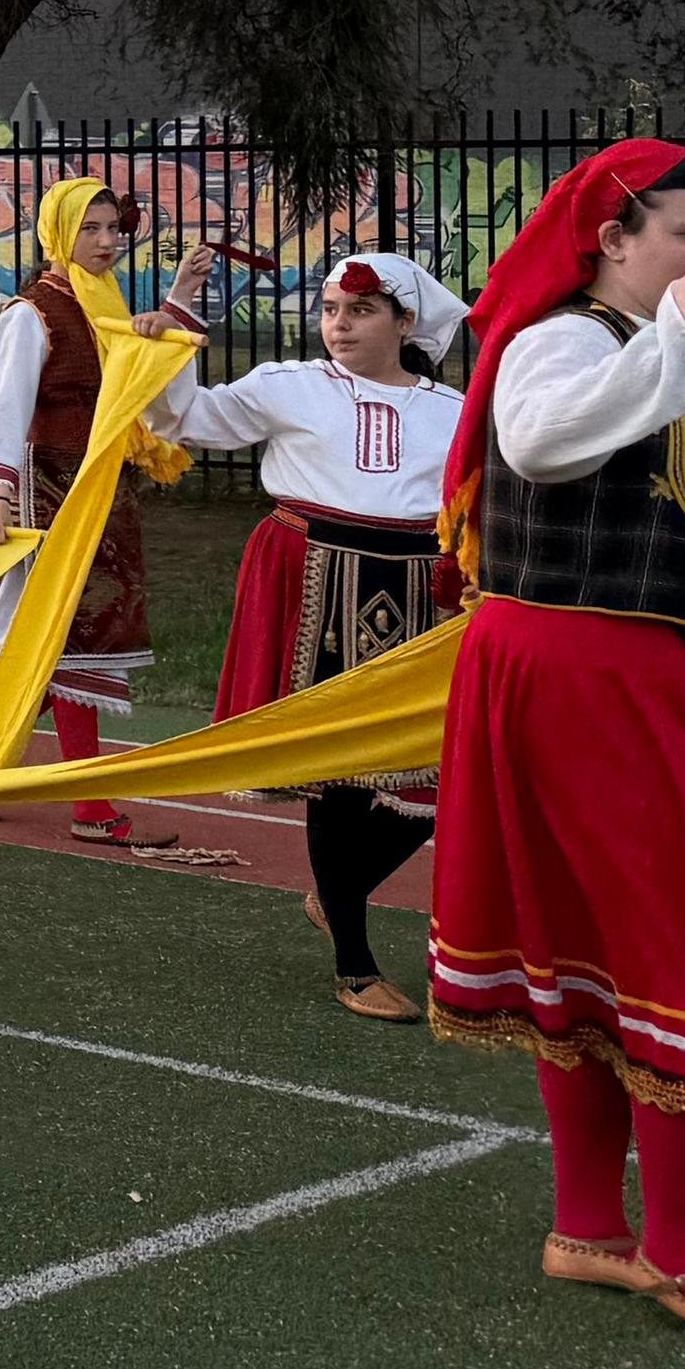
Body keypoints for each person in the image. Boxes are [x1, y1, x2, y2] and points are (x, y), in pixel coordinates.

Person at [426, 143, 685, 1347]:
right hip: (605, 671)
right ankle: (676, 1249)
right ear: (611, 238)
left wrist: (674, 335)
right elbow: (542, 446)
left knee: (609, 947)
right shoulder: (563, 340)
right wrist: (671, 331)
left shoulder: (654, 349)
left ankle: (591, 1232)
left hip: (672, 662)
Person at [148, 250, 472, 1019]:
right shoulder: (286, 387)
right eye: (330, 310)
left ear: (404, 321)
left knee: (439, 777)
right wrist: (179, 317)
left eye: (359, 311)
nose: (339, 325)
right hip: (317, 580)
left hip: (419, 594)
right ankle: (354, 965)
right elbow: (180, 419)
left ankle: (340, 891)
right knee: (335, 776)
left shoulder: (454, 410)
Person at [0, 175, 217, 860]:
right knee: (69, 632)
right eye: (92, 229)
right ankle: (92, 806)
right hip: (48, 485)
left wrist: (181, 299)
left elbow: (139, 373)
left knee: (63, 638)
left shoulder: (103, 304)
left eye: (114, 229)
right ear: (59, 233)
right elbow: (8, 409)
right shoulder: (32, 313)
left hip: (102, 481)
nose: (107, 242)